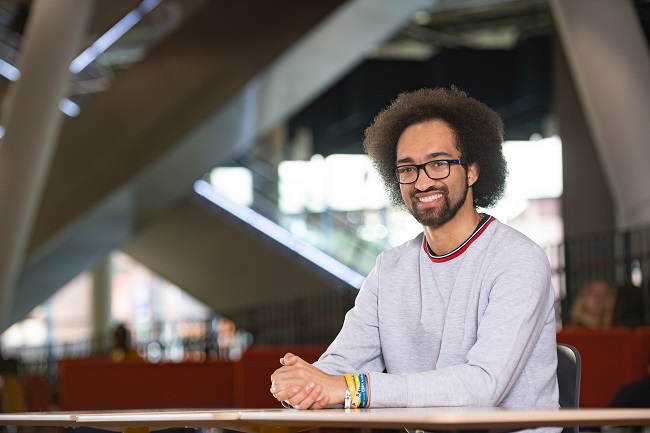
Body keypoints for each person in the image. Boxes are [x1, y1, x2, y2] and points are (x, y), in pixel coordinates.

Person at [270, 87, 559, 416]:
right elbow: (340, 366)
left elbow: (482, 386)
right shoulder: (390, 269)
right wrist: (301, 384)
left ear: (473, 170)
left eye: (438, 164)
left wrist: (352, 388)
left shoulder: (518, 261)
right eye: (408, 169)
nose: (421, 183)